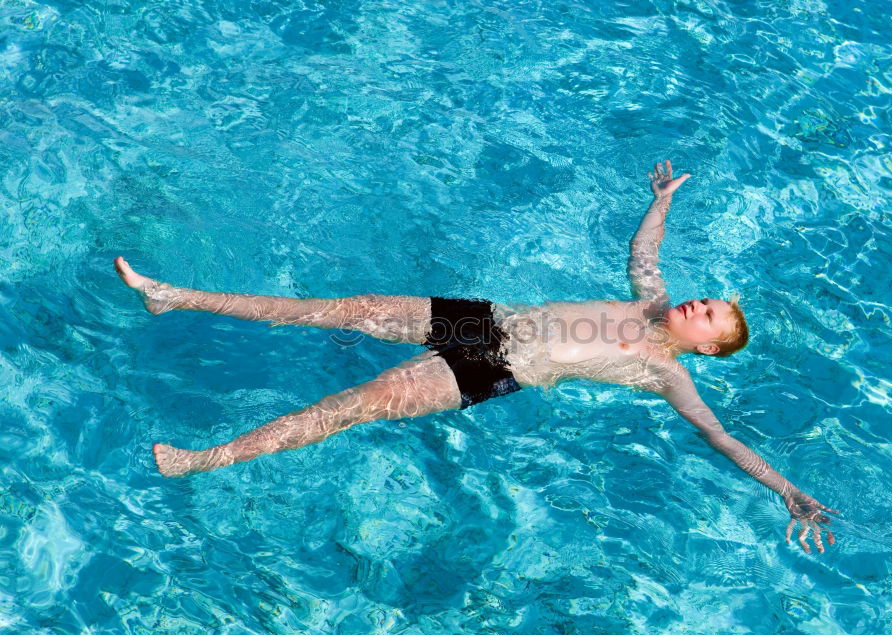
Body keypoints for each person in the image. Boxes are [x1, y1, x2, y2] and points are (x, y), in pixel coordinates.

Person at [115, 160, 838, 554]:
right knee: (335, 308)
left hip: (489, 370)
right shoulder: (652, 298)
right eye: (704, 298)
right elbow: (644, 251)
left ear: (706, 346)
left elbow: (719, 436)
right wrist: (662, 202)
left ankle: (203, 460)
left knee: (347, 408)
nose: (695, 304)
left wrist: (786, 491)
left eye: (706, 315)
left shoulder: (664, 371)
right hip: (485, 319)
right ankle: (173, 296)